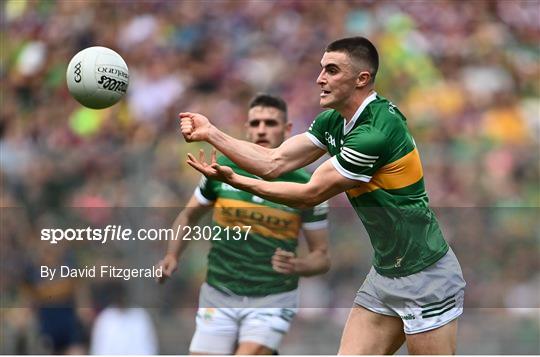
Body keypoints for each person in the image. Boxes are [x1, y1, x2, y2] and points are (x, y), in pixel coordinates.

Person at [179, 37, 466, 355]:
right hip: (386, 273)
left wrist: (239, 182)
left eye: (331, 70)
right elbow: (275, 162)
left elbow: (309, 194)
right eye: (321, 69)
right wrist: (212, 133)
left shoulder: (376, 133)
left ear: (361, 79)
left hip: (424, 275)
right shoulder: (334, 121)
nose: (320, 78)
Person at [157, 94, 330, 355]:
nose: (262, 129)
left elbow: (322, 258)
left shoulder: (308, 185)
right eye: (256, 122)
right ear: (247, 129)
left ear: (287, 130)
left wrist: (298, 265)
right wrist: (171, 255)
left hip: (273, 296)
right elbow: (188, 216)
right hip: (219, 291)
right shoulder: (221, 169)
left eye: (270, 123)